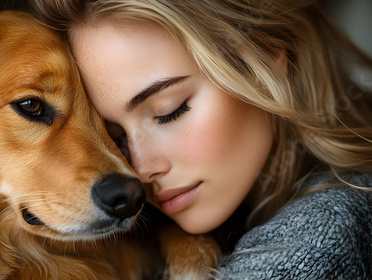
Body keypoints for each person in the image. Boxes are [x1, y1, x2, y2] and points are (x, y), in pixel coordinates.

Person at [31, 0, 372, 278]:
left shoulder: (324, 239)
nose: (140, 170)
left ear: (265, 56)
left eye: (170, 110)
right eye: (114, 138)